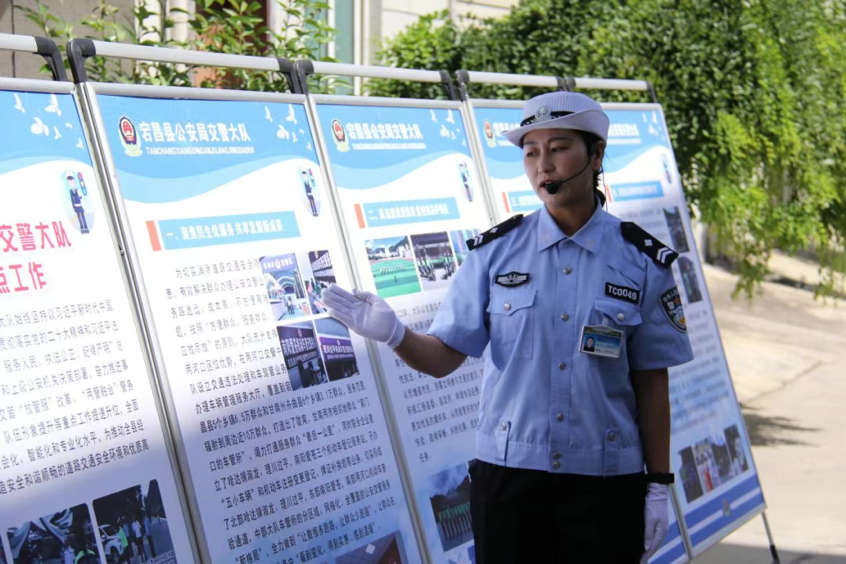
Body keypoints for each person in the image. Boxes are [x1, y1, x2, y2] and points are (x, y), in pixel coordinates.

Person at [323, 91, 693, 563]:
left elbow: (652, 382)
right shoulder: (494, 254)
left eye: (558, 148)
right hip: (509, 482)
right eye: (531, 152)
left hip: (604, 483)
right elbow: (443, 357)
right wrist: (395, 334)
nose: (543, 165)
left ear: (596, 155)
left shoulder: (642, 262)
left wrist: (658, 483)